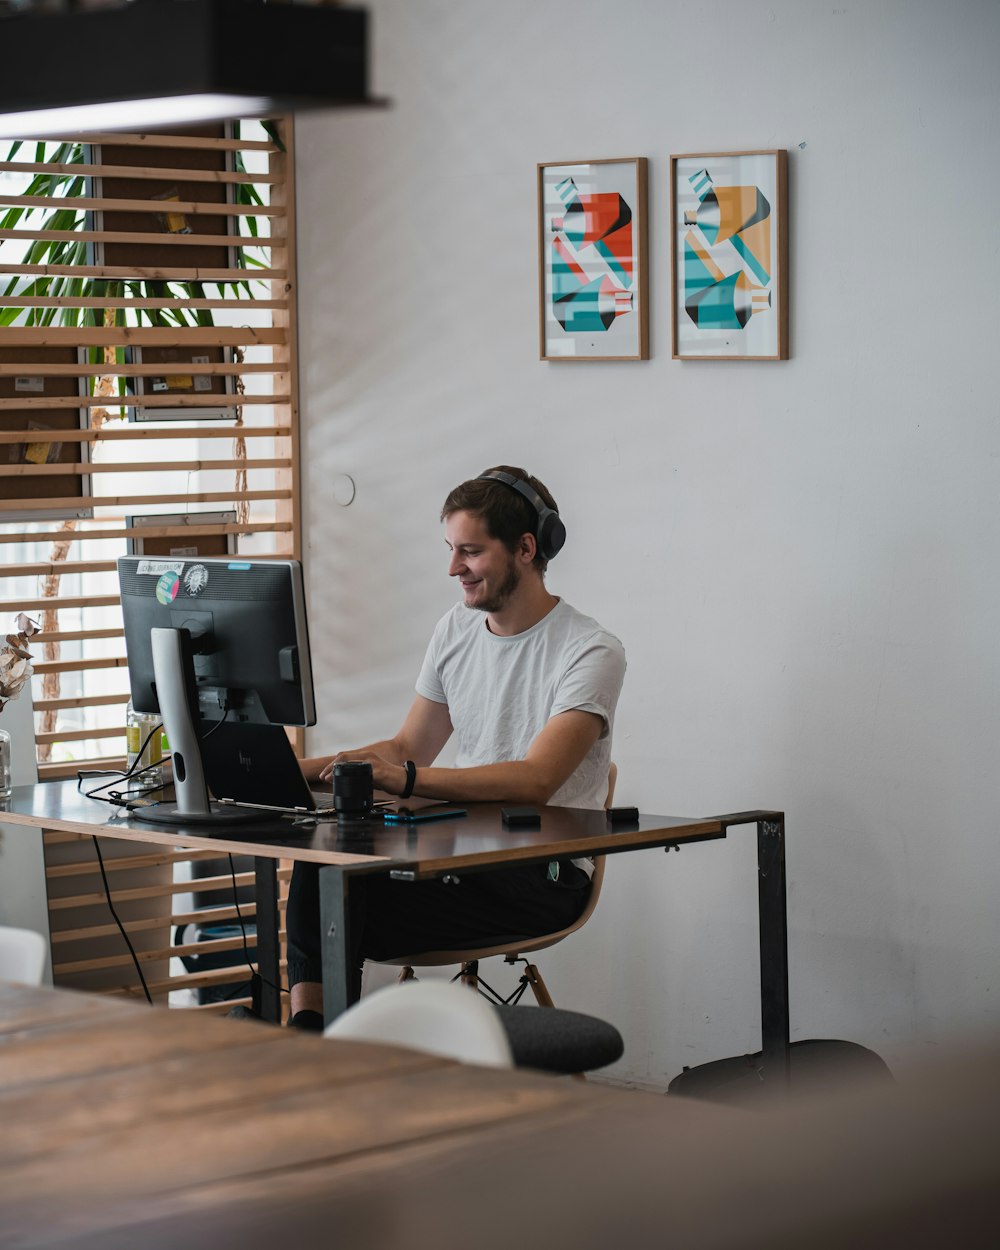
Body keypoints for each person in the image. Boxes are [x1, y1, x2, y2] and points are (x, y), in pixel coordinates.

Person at [284, 465, 626, 1028]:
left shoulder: (590, 651)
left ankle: (321, 1049)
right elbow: (406, 745)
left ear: (524, 548)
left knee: (340, 894)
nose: (453, 569)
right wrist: (292, 771)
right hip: (465, 855)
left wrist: (409, 780)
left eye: (469, 551)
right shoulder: (455, 631)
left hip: (542, 874)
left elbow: (537, 780)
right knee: (322, 860)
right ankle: (312, 1040)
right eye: (450, 549)